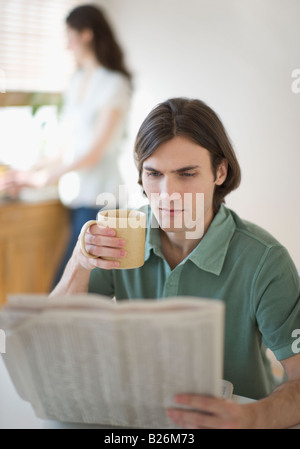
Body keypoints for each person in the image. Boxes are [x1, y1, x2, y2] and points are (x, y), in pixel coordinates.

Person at [50, 97, 300, 429]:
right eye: (154, 174)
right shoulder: (124, 235)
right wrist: (80, 263)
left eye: (186, 173)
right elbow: (51, 341)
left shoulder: (265, 260)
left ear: (219, 172)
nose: (168, 194)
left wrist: (248, 418)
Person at [0, 4, 132, 285]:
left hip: (102, 200)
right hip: (76, 199)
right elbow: (67, 147)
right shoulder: (76, 82)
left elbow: (94, 152)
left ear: (86, 34)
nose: (66, 45)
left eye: (69, 36)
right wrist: (28, 171)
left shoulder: (114, 85)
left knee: (72, 286)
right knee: (73, 286)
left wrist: (43, 178)